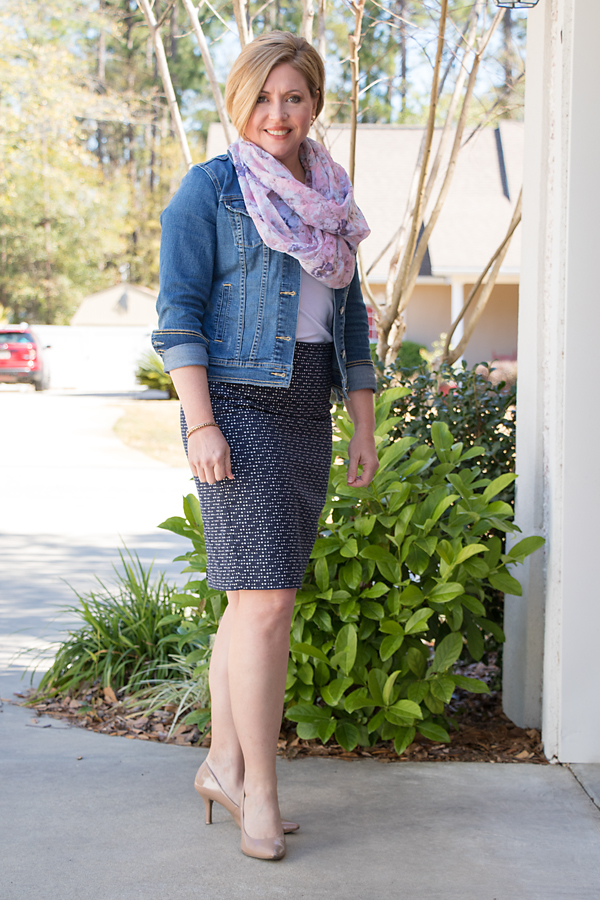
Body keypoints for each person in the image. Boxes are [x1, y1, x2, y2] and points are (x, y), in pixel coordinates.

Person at [152, 30, 378, 861]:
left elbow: (352, 322)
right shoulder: (209, 192)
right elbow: (177, 315)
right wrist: (201, 422)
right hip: (235, 405)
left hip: (304, 406)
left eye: (295, 97)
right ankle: (259, 787)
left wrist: (361, 424)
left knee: (250, 605)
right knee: (266, 602)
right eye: (263, 97)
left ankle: (220, 763)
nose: (278, 113)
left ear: (315, 103)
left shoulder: (333, 199)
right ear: (239, 103)